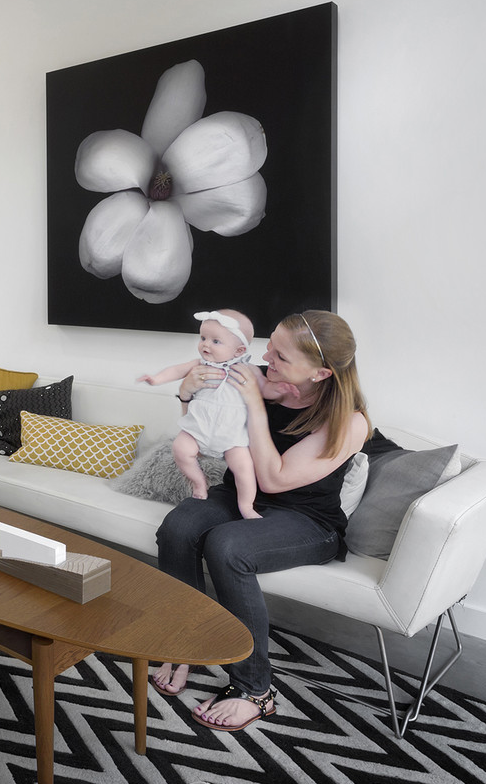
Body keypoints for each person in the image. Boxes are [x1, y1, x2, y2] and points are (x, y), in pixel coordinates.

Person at [149, 310, 369, 733]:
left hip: (306, 519)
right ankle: (184, 647)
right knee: (177, 527)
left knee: (229, 547)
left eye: (280, 356)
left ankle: (256, 690)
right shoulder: (261, 378)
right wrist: (185, 394)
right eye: (270, 345)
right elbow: (211, 435)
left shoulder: (348, 421)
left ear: (321, 372)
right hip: (240, 495)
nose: (266, 355)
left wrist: (254, 402)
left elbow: (275, 478)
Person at [139, 309, 268, 520]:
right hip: (199, 429)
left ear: (239, 350)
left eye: (215, 341)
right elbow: (176, 370)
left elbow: (266, 387)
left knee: (244, 470)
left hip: (231, 436)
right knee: (180, 449)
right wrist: (157, 379)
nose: (205, 345)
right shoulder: (200, 365)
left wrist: (280, 390)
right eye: (203, 338)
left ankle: (246, 506)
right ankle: (198, 483)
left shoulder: (247, 369)